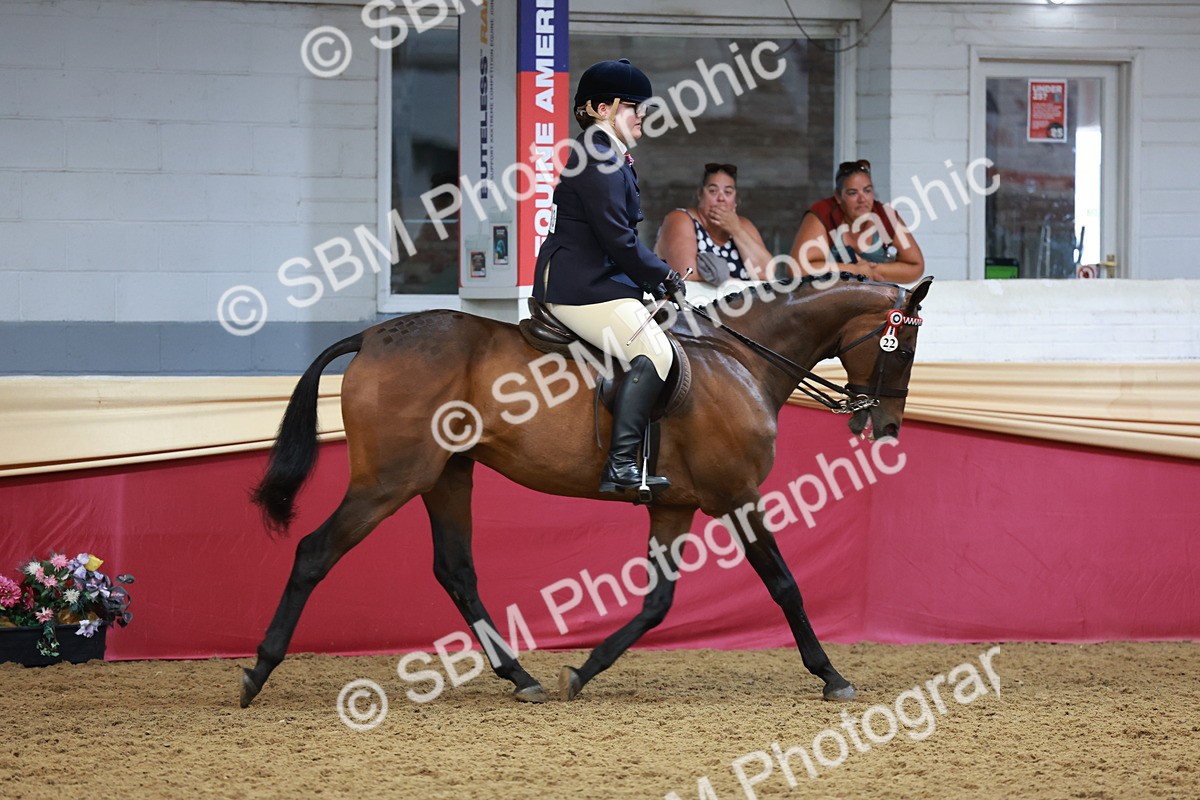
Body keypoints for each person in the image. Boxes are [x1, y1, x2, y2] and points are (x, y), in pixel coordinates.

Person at [532, 58, 687, 497]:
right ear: (604, 109)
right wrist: (664, 275)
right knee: (655, 351)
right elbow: (618, 238)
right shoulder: (597, 156)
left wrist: (654, 280)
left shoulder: (607, 152)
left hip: (597, 279)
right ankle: (620, 466)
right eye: (634, 107)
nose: (642, 115)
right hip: (579, 286)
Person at [789, 159, 924, 283]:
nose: (862, 199)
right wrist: (855, 270)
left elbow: (916, 266)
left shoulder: (885, 216)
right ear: (838, 196)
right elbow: (796, 269)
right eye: (853, 193)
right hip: (831, 297)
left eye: (867, 191)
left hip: (875, 297)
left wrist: (872, 270)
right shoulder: (823, 214)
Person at [655, 163, 773, 294]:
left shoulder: (743, 225)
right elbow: (686, 273)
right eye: (713, 191)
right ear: (700, 195)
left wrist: (736, 230)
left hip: (741, 305)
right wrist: (731, 281)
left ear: (735, 200)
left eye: (728, 192)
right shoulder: (680, 218)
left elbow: (767, 273)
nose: (721, 198)